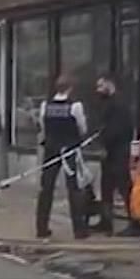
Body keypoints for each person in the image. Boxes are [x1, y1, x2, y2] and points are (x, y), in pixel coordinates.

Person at [36, 75, 91, 241]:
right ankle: (79, 230)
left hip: (51, 149)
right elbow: (82, 128)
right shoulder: (75, 106)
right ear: (70, 88)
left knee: (46, 188)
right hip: (70, 149)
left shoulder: (45, 105)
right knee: (74, 189)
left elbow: (43, 126)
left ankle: (41, 227)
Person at [93, 75, 140, 236]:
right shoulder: (107, 103)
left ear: (110, 84)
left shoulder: (119, 104)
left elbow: (118, 129)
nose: (98, 90)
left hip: (118, 152)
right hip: (109, 153)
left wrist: (105, 141)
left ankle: (135, 223)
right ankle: (105, 221)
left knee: (124, 187)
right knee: (106, 187)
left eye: (101, 86)